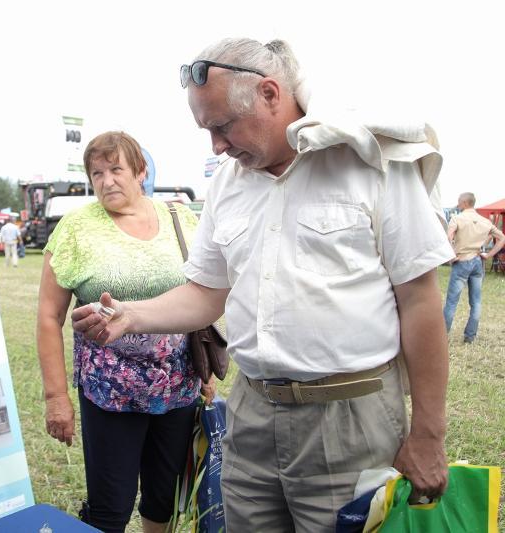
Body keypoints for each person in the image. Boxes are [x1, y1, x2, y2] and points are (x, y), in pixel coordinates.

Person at [72, 39, 454, 532]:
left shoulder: (371, 162)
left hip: (349, 419)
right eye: (207, 130)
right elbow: (206, 292)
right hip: (251, 415)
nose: (216, 146)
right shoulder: (228, 184)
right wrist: (132, 316)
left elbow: (420, 302)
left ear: (270, 94)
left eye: (222, 126)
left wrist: (429, 434)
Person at [37, 131, 214, 533]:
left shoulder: (181, 219)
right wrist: (56, 397)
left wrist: (203, 376)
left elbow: (201, 295)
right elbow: (49, 316)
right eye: (97, 173)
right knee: (109, 508)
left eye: (116, 169)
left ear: (140, 171)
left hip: (177, 390)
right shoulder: (76, 229)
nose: (106, 181)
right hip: (110, 396)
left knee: (163, 498)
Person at [443, 192, 505, 343]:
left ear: (464, 203)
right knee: (476, 302)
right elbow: (502, 238)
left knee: (452, 302)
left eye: (459, 201)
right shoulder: (485, 221)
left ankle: (442, 337)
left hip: (461, 261)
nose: (458, 204)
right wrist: (489, 255)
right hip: (478, 262)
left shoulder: (456, 219)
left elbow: (448, 237)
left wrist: (451, 256)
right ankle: (470, 336)